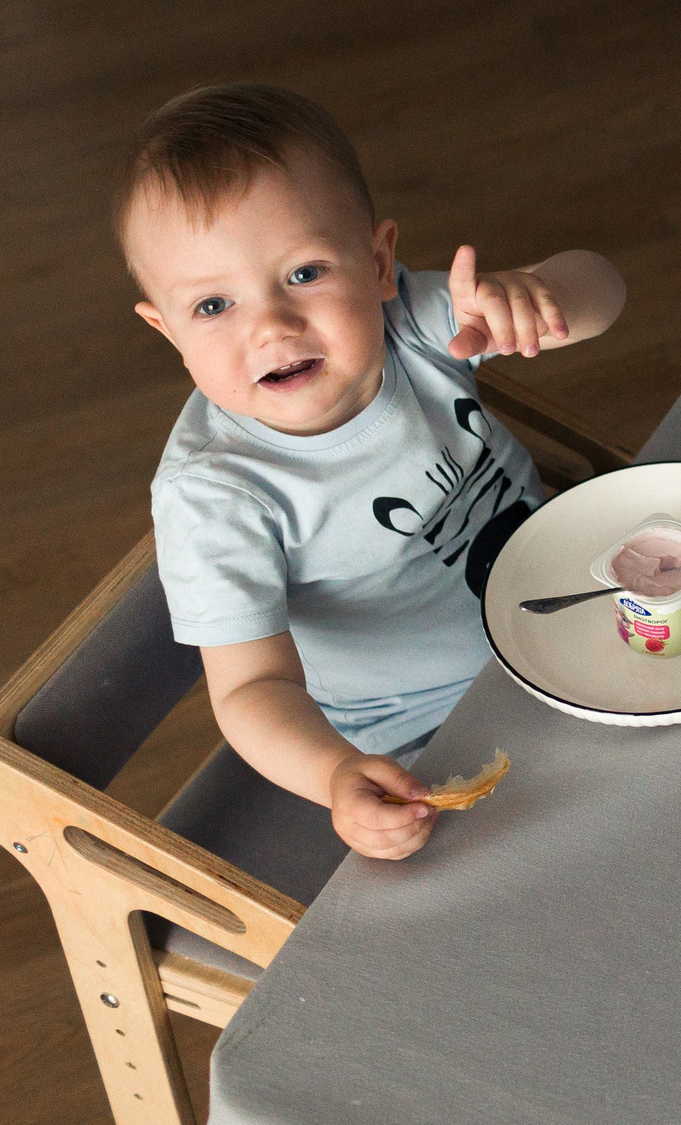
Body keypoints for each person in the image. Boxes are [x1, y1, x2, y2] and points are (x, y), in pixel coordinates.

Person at [120, 84, 627, 858]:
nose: (270, 325)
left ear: (379, 262)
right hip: (436, 733)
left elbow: (606, 289)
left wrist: (547, 294)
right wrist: (337, 773)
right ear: (165, 331)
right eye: (214, 306)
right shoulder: (218, 495)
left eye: (304, 273)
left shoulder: (413, 325)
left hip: (580, 611)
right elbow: (253, 689)